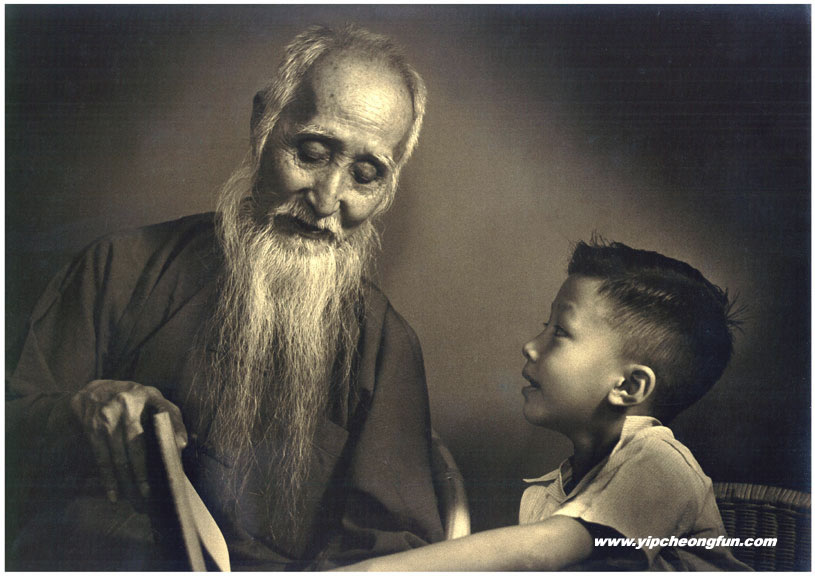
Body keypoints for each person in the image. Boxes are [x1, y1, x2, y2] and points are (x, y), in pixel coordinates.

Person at [7, 24, 444, 570]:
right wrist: (78, 413)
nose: (328, 197)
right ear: (264, 122)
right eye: (312, 152)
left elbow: (393, 549)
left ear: (388, 188)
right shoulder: (118, 268)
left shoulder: (386, 347)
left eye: (365, 174)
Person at [338, 239, 751, 571]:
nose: (530, 346)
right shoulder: (564, 487)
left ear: (628, 385)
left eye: (560, 333)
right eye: (544, 327)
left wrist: (368, 572)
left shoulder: (661, 464)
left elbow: (536, 553)